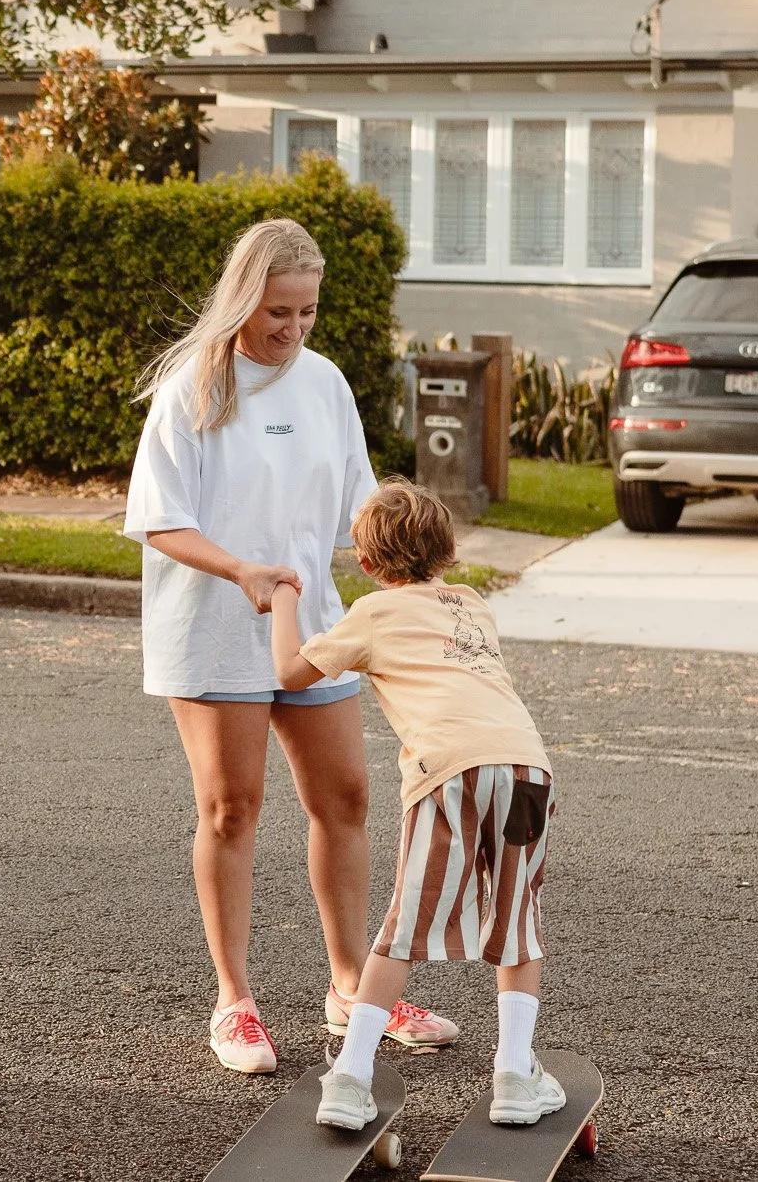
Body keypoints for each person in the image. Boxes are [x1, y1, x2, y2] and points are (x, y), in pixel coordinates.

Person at [122, 219, 456, 1075]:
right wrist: (241, 569)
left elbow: (358, 511)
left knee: (345, 796)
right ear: (243, 299)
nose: (294, 328)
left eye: (307, 311)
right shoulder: (192, 389)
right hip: (214, 626)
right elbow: (158, 521)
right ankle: (233, 1002)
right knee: (231, 808)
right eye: (279, 311)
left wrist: (414, 563)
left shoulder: (325, 382)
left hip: (311, 623)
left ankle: (351, 989)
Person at [269, 479, 562, 1131]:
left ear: (367, 562)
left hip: (449, 770)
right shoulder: (474, 605)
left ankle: (350, 1078)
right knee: (516, 919)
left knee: (403, 929)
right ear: (448, 549)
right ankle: (515, 1075)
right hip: (526, 767)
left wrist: (284, 597)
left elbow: (290, 672)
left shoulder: (373, 611)